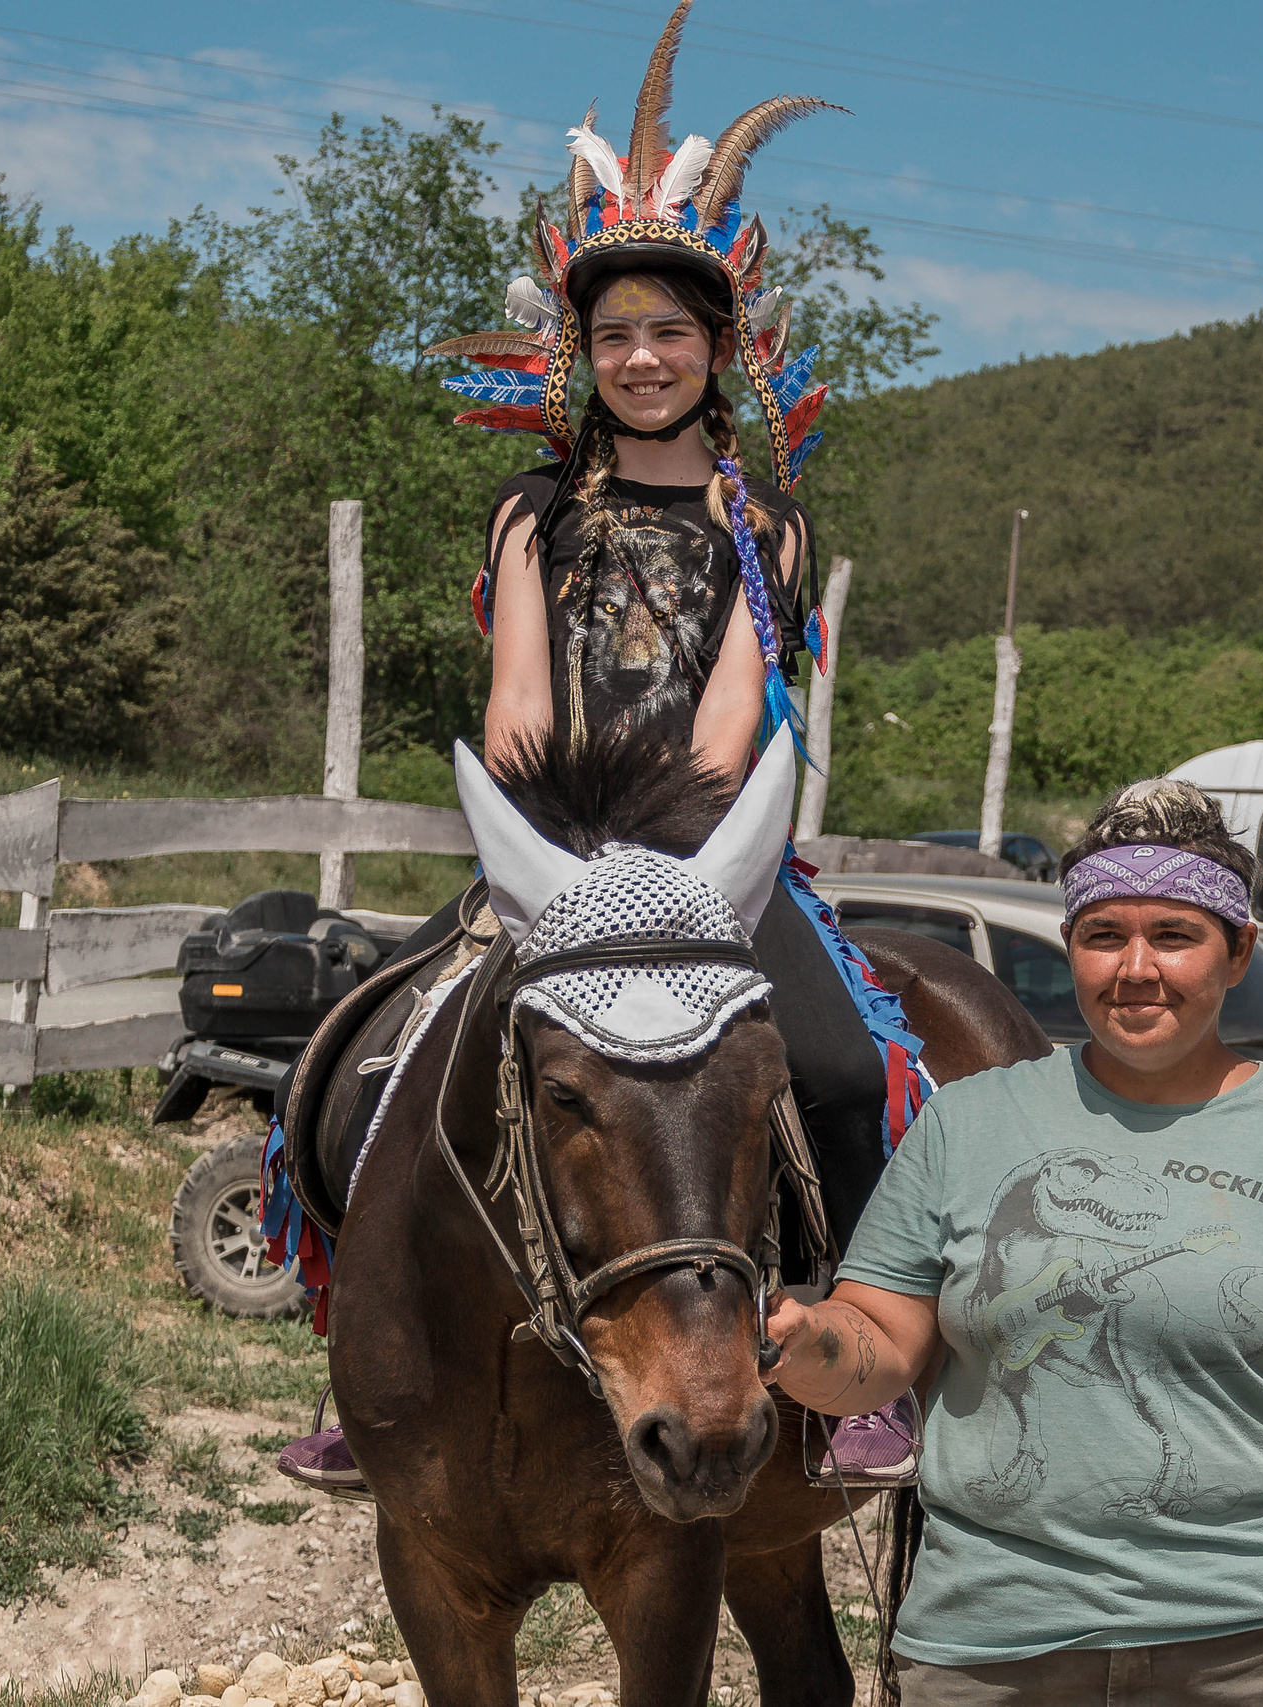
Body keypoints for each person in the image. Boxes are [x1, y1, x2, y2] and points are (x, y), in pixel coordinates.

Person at [280, 10, 924, 1494]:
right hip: (551, 840)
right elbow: (518, 694)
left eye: (672, 333)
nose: (644, 357)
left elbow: (733, 716)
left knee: (837, 1068)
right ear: (584, 350)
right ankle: (369, 1357)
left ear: (720, 350)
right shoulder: (533, 511)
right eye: (617, 332)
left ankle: (857, 1366)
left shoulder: (764, 527)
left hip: (713, 856)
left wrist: (675, 850)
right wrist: (553, 832)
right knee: (354, 1066)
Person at [763, 779, 1263, 1705]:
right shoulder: (970, 1124)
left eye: (1174, 936)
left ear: (1238, 954)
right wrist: (803, 1340)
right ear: (1072, 948)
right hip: (995, 1642)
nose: (1135, 967)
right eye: (1104, 935)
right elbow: (878, 1349)